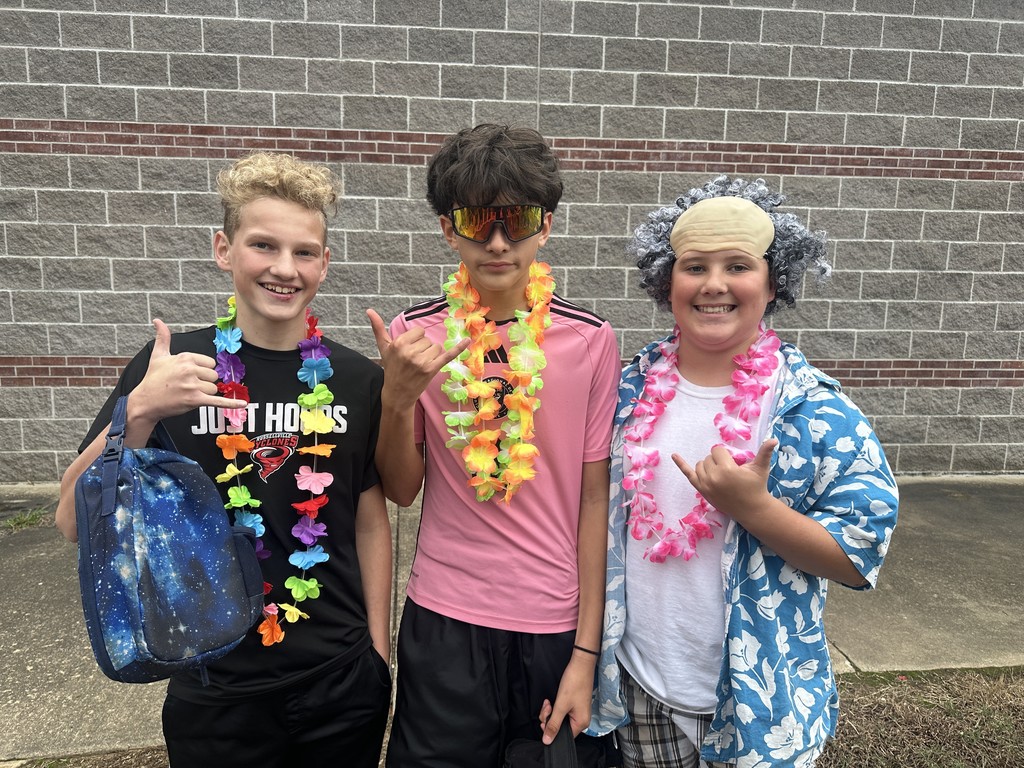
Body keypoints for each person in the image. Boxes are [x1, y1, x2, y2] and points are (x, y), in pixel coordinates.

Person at [55, 152, 392, 768]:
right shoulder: (170, 368)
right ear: (223, 249)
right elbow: (73, 522)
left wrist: (377, 650)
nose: (285, 269)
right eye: (263, 245)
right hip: (215, 689)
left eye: (305, 251)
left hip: (341, 680)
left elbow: (369, 518)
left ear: (325, 262)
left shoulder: (355, 378)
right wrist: (139, 412)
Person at [588, 176, 899, 768]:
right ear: (665, 279)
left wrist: (753, 509)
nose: (713, 285)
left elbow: (859, 556)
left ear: (774, 278)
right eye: (693, 266)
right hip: (640, 683)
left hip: (763, 703)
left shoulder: (814, 410)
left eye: (738, 265)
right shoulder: (625, 393)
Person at [366, 123, 621, 767]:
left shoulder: (590, 341)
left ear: (547, 225)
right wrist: (396, 400)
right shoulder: (415, 334)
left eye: (519, 220)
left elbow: (596, 503)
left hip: (553, 622)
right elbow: (401, 489)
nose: (499, 242)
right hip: (444, 615)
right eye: (479, 221)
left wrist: (587, 655)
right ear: (450, 229)